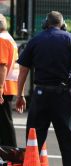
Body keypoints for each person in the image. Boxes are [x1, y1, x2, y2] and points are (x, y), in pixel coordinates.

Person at [15, 11, 71, 166]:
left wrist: (20, 95)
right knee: (68, 138)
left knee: (34, 138)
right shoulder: (70, 39)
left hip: (40, 94)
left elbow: (23, 70)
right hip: (63, 94)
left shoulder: (36, 40)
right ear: (62, 25)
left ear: (45, 24)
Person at [0, 14, 19, 147]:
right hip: (9, 85)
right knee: (4, 122)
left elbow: (2, 65)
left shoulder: (1, 39)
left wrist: (0, 87)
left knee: (5, 123)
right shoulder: (10, 39)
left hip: (3, 87)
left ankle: (10, 153)